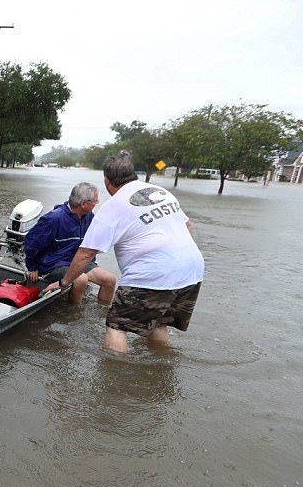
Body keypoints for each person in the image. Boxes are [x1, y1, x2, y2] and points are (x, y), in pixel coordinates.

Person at [45, 151, 205, 353]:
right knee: (158, 324)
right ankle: (161, 369)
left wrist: (64, 282)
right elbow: (188, 225)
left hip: (152, 274)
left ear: (106, 180)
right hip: (192, 270)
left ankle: (114, 376)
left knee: (117, 327)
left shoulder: (113, 206)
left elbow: (85, 254)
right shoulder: (160, 192)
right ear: (133, 174)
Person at [24, 182, 116, 304]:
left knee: (110, 280)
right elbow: (30, 243)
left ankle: (103, 312)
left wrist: (91, 261)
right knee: (81, 279)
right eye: (95, 201)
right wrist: (32, 267)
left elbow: (90, 245)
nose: (96, 203)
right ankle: (74, 314)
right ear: (84, 204)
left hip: (75, 261)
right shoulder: (53, 219)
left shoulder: (89, 217)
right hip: (53, 264)